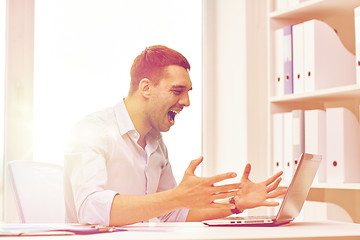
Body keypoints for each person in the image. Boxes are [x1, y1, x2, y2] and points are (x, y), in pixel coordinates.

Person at [64, 45, 285, 227]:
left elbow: (172, 213)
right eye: (177, 91)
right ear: (146, 88)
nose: (186, 102)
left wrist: (236, 204)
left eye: (188, 92)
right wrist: (177, 197)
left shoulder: (156, 143)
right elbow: (90, 210)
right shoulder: (91, 130)